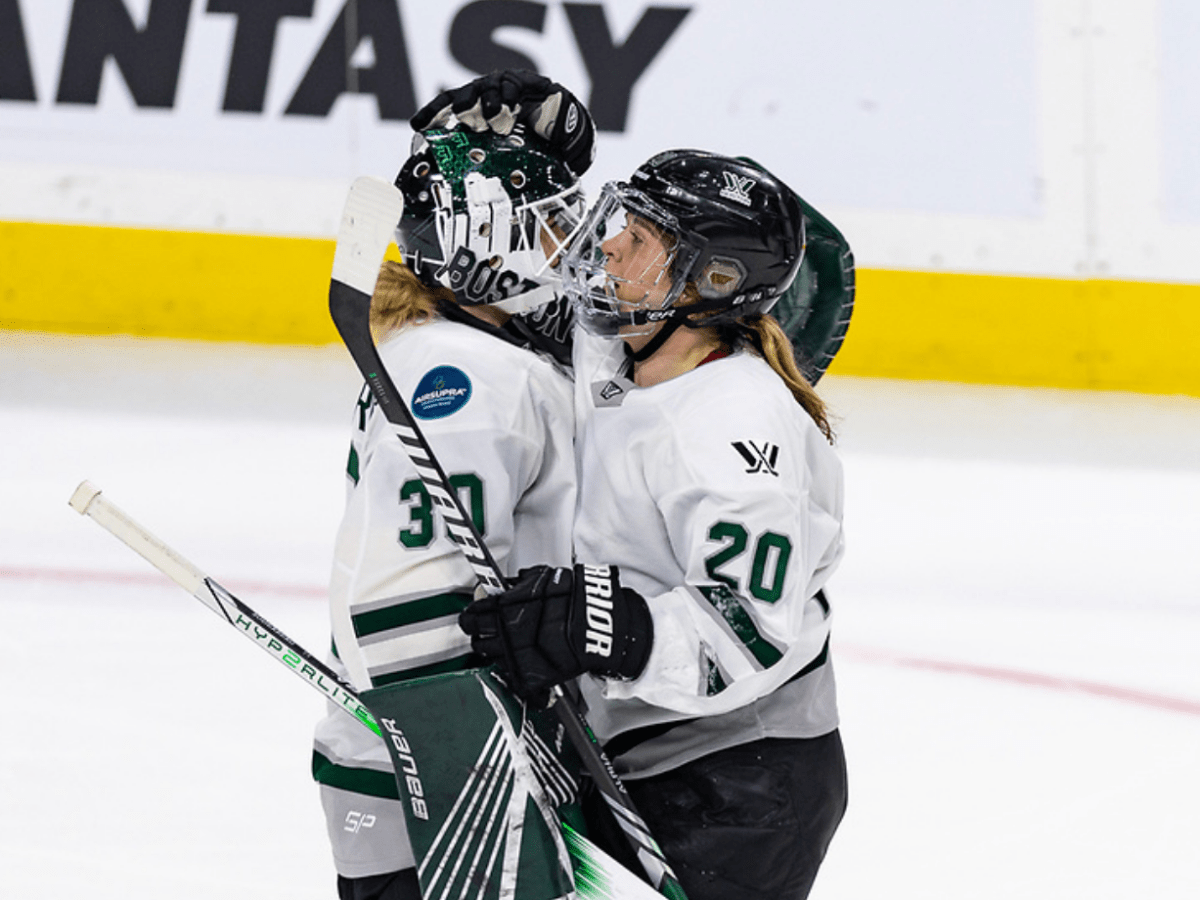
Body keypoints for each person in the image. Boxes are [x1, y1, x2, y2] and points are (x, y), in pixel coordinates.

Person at [459, 149, 849, 900]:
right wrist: (491, 161)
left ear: (713, 281)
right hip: (645, 752)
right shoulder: (627, 353)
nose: (608, 245)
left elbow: (748, 630)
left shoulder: (731, 422)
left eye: (637, 238)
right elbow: (547, 272)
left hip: (741, 782)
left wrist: (599, 627)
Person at [311, 117, 591, 900]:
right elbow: (401, 605)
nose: (576, 248)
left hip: (462, 770)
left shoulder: (482, 351)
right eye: (550, 224)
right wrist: (474, 773)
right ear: (484, 243)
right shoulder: (464, 375)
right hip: (441, 788)